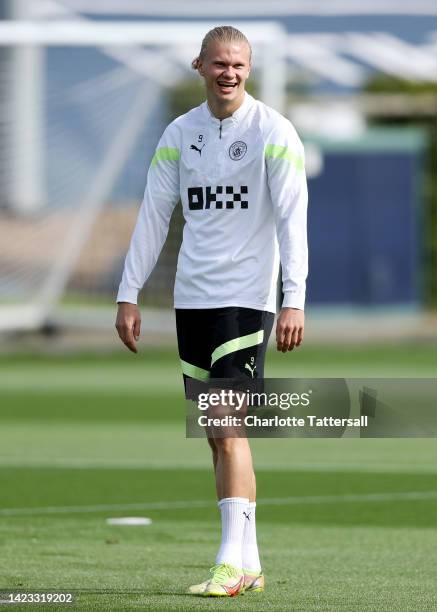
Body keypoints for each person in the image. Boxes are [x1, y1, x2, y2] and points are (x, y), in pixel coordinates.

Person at [115, 25, 308, 597]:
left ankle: (228, 564)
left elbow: (293, 220)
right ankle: (247, 564)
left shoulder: (273, 131)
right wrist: (130, 291)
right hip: (192, 297)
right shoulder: (180, 133)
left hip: (247, 298)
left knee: (226, 425)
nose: (229, 73)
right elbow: (154, 214)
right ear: (199, 65)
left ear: (249, 69)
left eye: (239, 65)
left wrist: (293, 298)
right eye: (219, 63)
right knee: (217, 432)